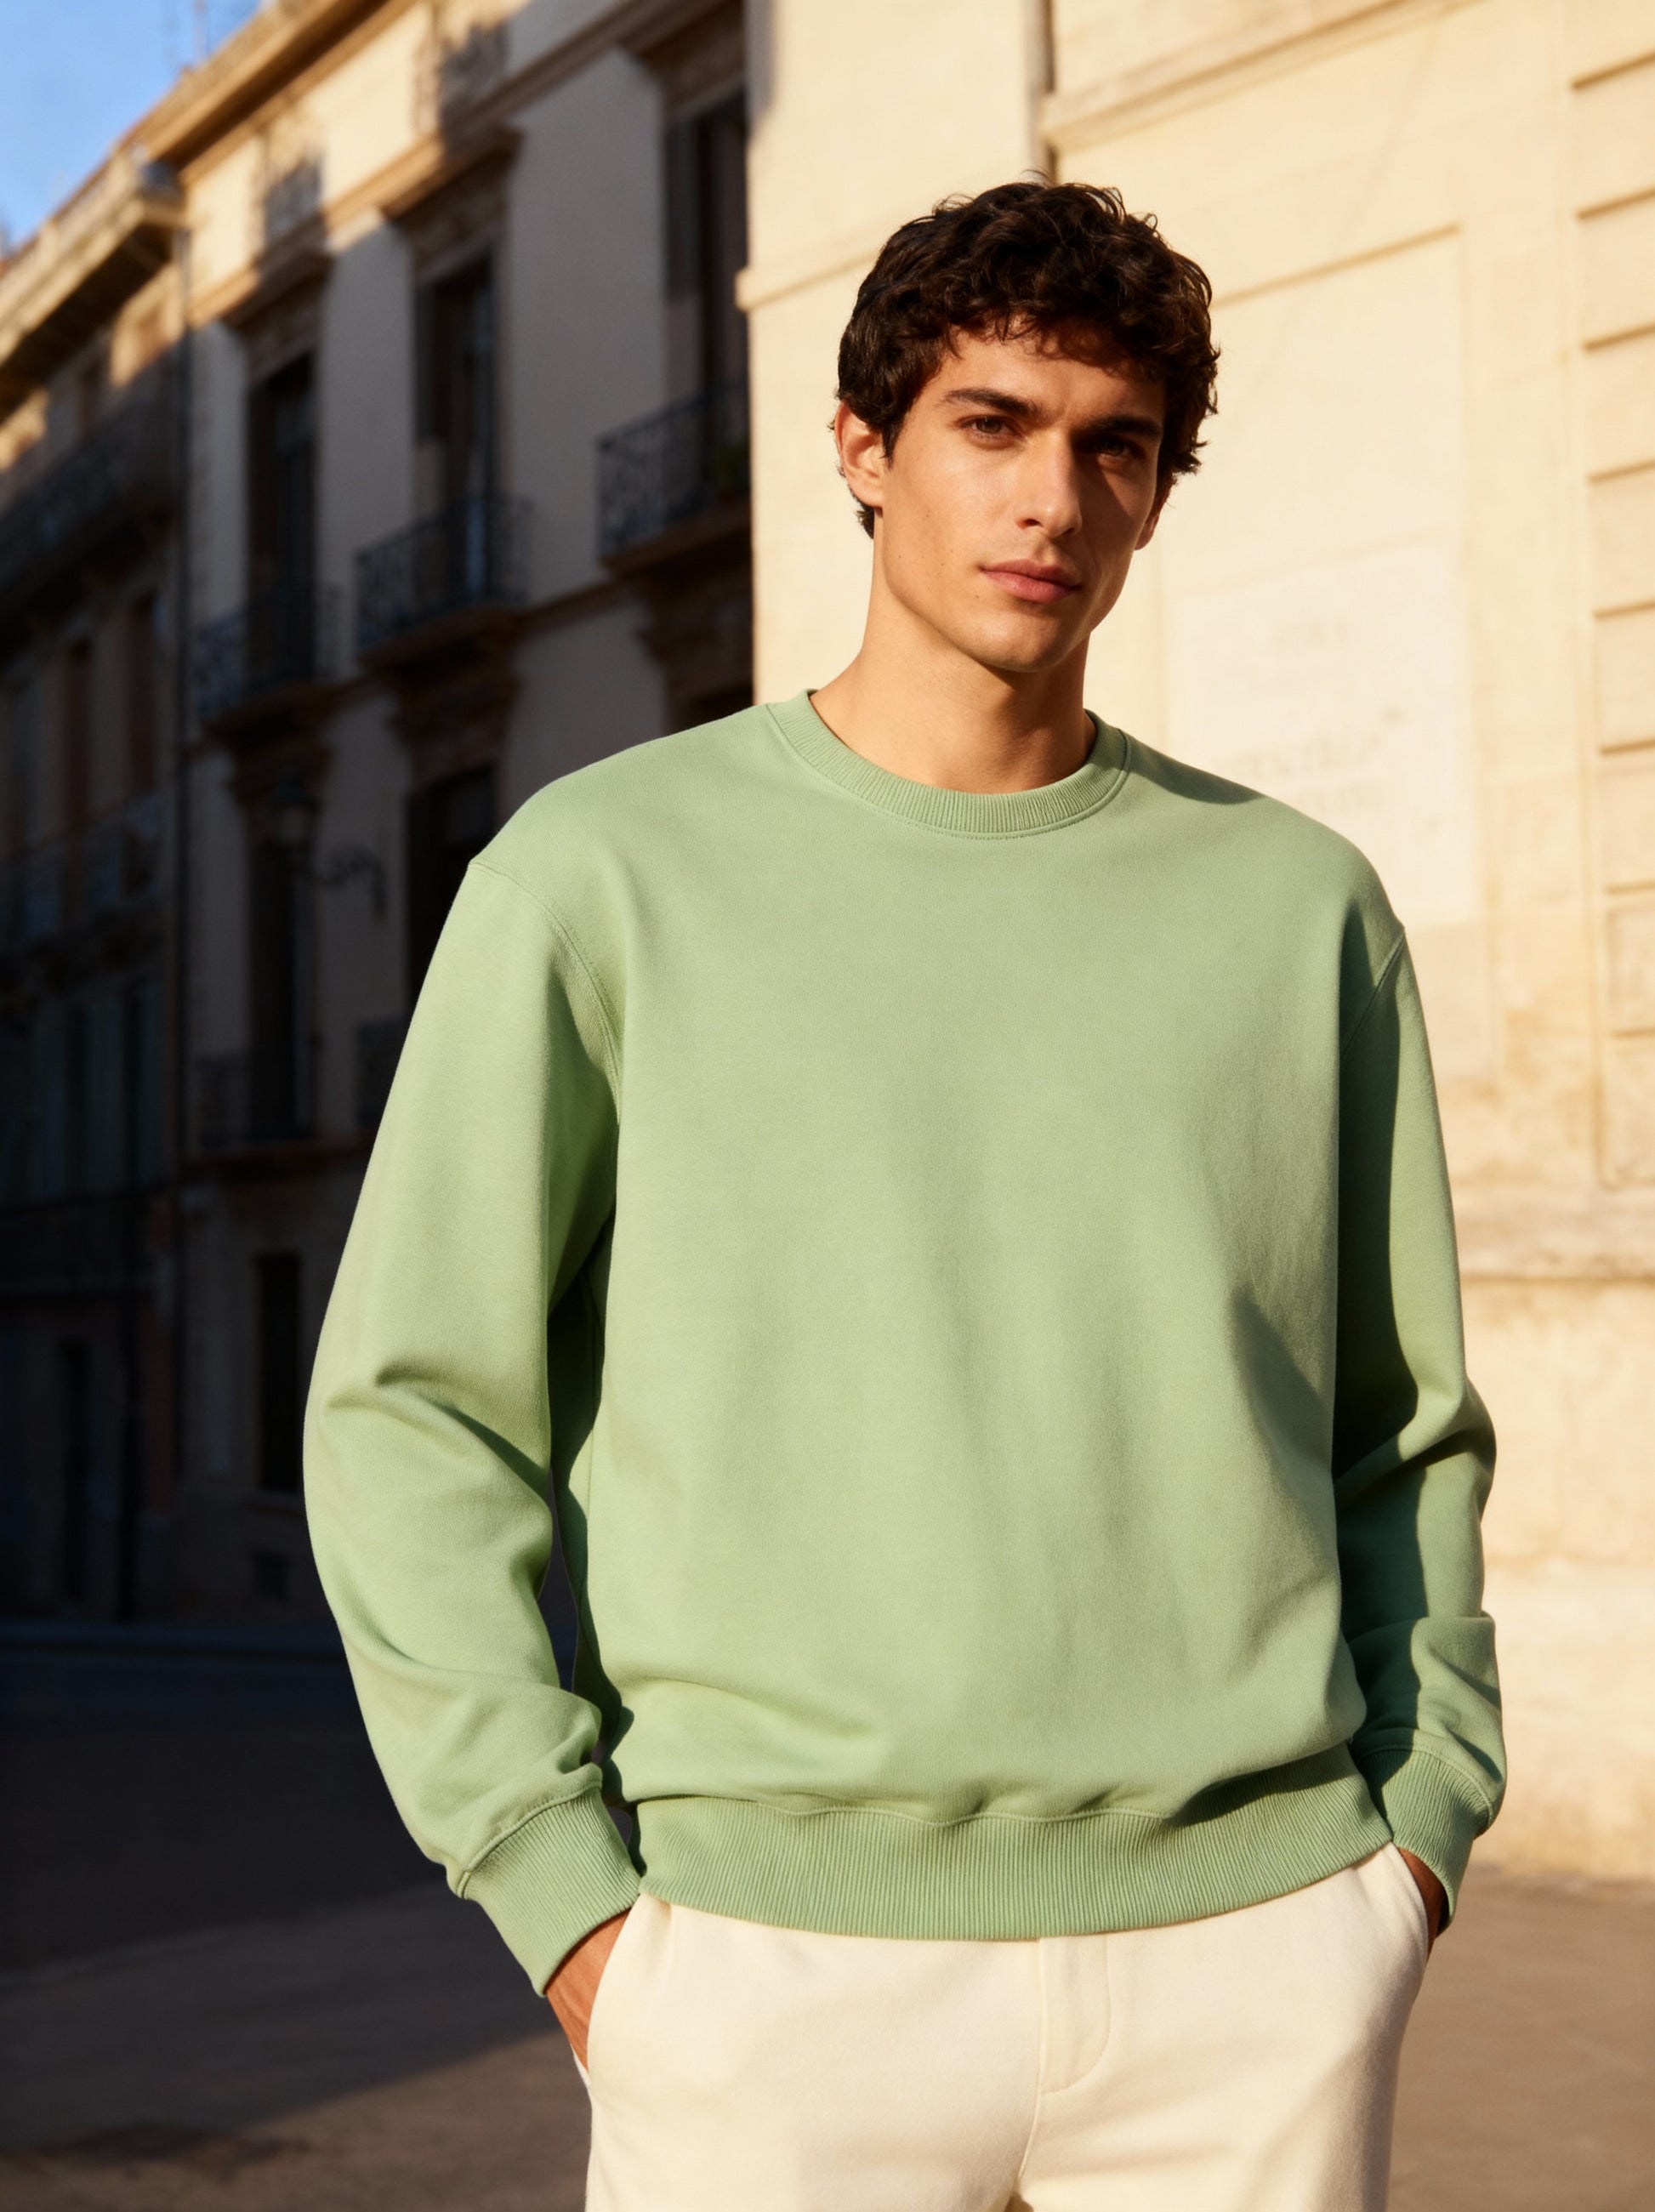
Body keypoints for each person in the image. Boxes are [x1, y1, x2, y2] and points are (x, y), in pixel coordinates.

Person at [304, 179, 1504, 2209]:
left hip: (1256, 1956)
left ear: (1151, 495)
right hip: (763, 1973)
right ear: (863, 449)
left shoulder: (1298, 909)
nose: (1051, 495)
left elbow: (1402, 1421)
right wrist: (568, 1895)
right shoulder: (599, 879)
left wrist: (1410, 1842)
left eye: (1110, 445)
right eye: (991, 423)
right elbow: (419, 1409)